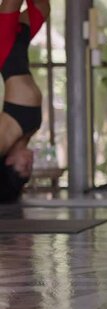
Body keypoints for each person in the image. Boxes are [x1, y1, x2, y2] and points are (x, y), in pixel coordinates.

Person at [0, 0, 49, 202]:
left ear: (9, 161)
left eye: (24, 167)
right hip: (18, 49)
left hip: (3, 50)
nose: (30, 163)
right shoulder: (25, 136)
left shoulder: (4, 139)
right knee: (42, 8)